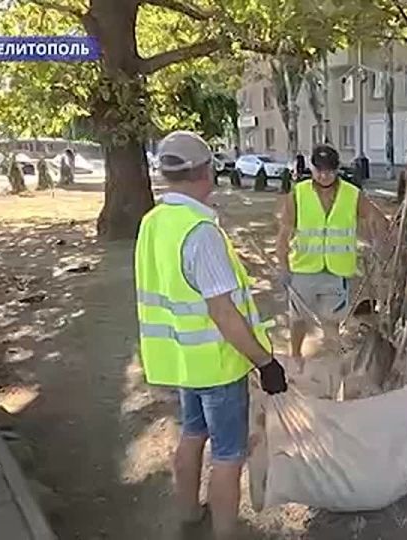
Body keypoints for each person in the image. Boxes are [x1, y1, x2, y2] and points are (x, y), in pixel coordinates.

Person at [134, 130, 288, 539]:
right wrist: (265, 362)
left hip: (181, 360)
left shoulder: (153, 221)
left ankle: (187, 513)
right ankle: (224, 533)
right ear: (206, 171)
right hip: (217, 366)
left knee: (191, 433)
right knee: (228, 455)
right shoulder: (201, 233)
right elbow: (222, 311)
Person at [276, 143, 389, 364]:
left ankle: (333, 368)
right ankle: (296, 357)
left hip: (337, 272)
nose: (324, 175)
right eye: (319, 170)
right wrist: (283, 266)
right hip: (304, 269)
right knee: (298, 318)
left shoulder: (352, 194)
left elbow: (376, 218)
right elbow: (284, 234)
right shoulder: (298, 194)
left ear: (337, 169)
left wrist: (378, 240)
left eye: (329, 170)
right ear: (312, 168)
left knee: (332, 321)